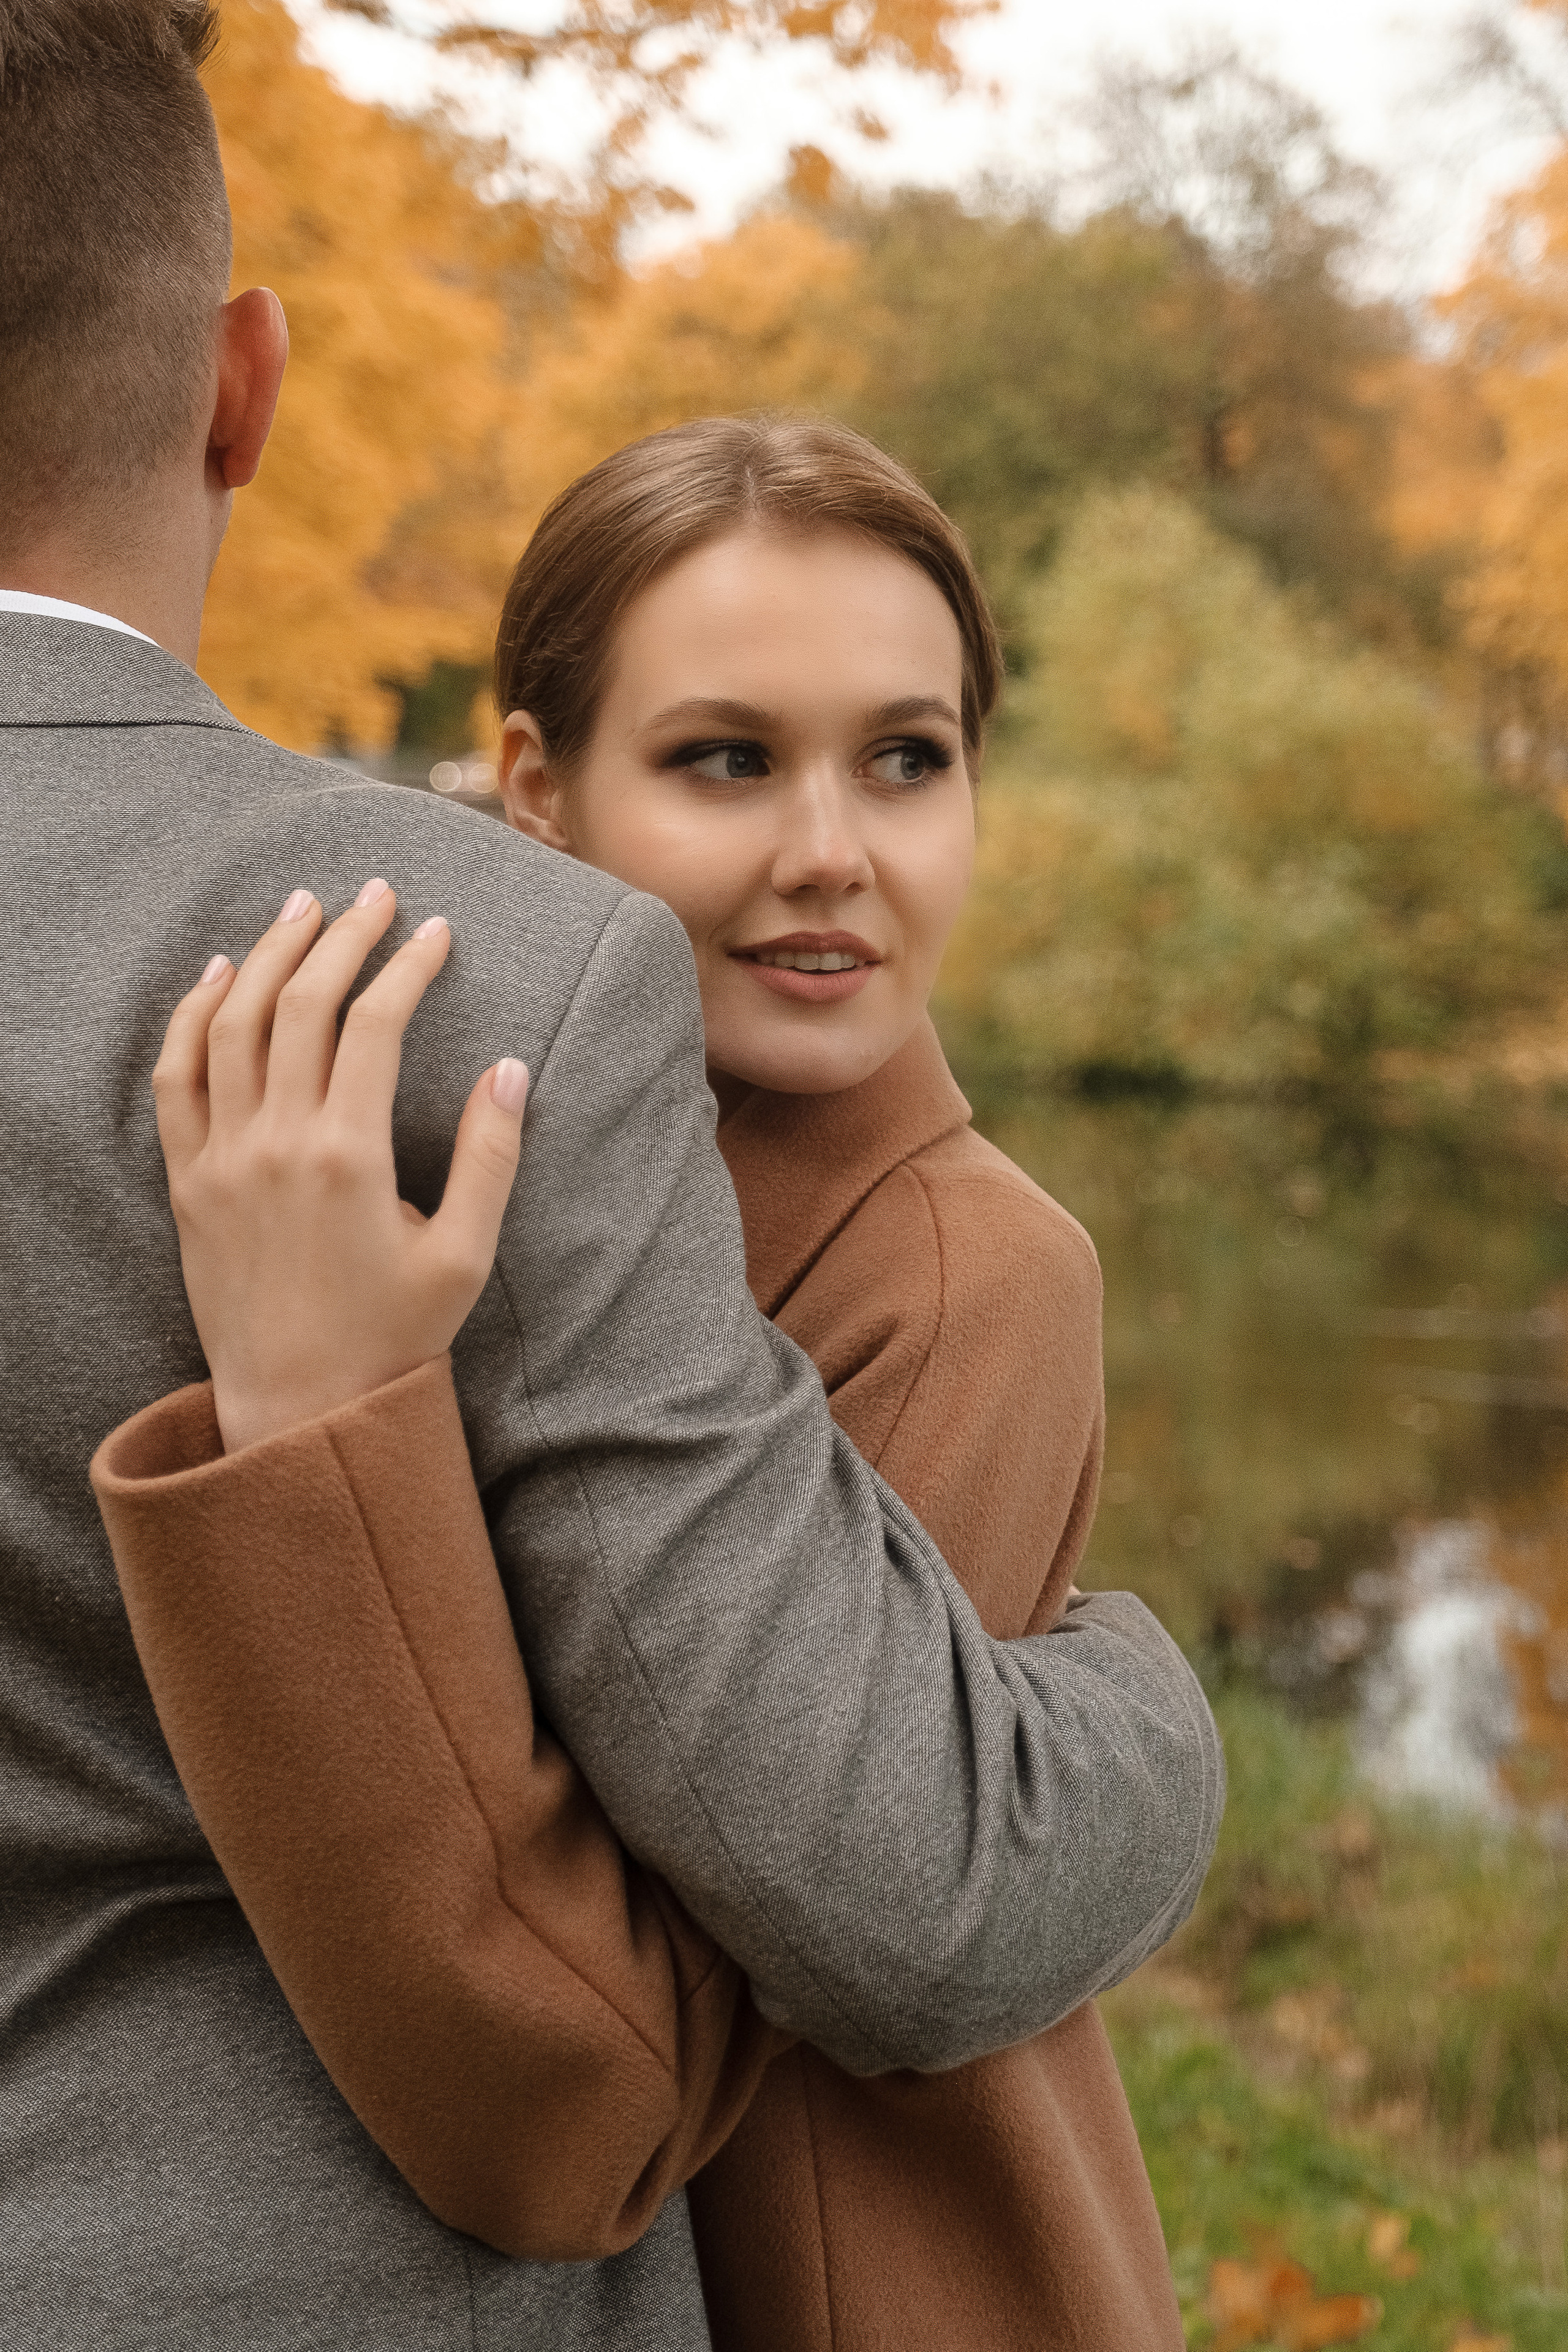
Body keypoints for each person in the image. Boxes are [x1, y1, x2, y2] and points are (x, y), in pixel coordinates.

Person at [0, 3, 1219, 2343]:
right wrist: (1148, 1732)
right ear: (242, 388)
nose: (828, 850)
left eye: (913, 756)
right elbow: (871, 1906)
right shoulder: (465, 1019)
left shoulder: (957, 1260)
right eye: (728, 758)